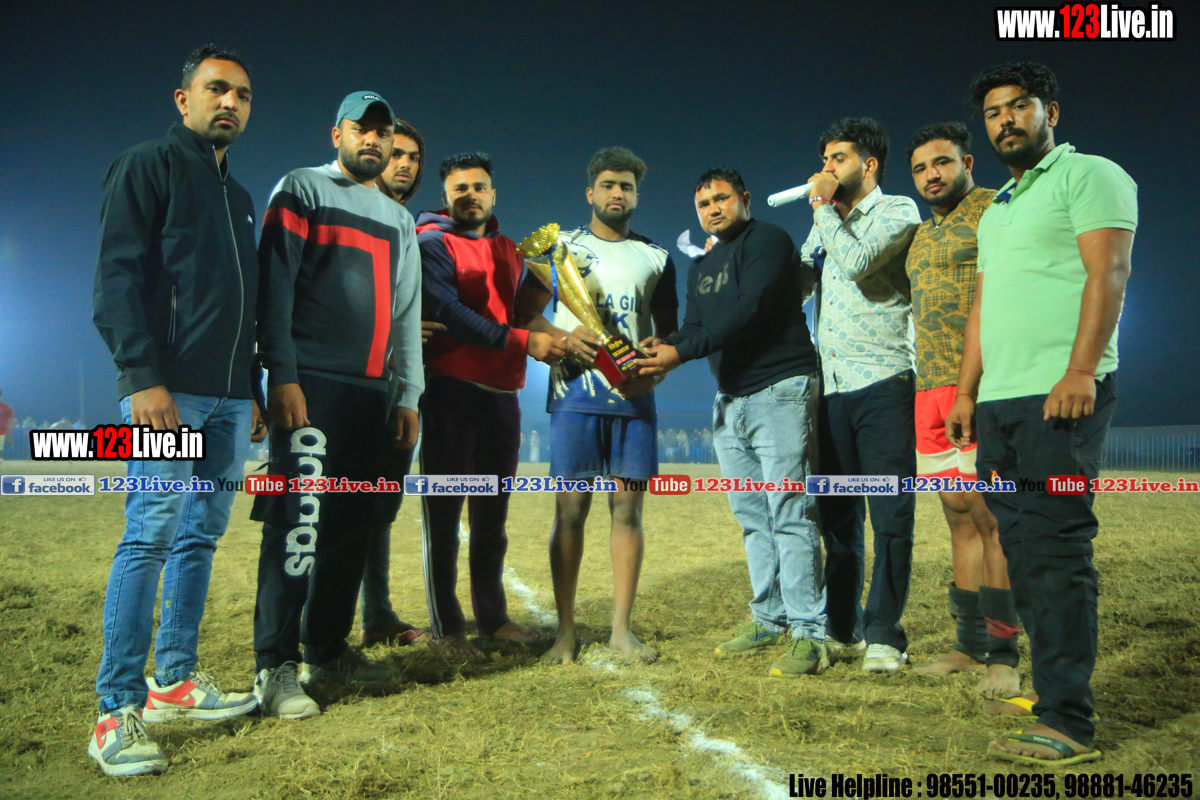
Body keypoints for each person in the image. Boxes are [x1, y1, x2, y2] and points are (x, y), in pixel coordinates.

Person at [948, 61, 1136, 767]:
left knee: (1056, 552)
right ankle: (1053, 693)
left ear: (1049, 111)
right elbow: (983, 306)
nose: (1005, 120)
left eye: (1018, 106)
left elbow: (1108, 271)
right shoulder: (999, 206)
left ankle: (1069, 722)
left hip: (1061, 396)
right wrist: (967, 391)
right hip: (1000, 404)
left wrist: (1081, 369)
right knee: (1021, 551)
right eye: (993, 112)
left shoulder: (1089, 175)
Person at [88, 44, 263, 777]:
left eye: (242, 95)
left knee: (200, 537)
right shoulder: (147, 165)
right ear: (183, 99)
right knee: (150, 536)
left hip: (229, 400)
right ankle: (116, 710)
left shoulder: (240, 196)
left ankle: (176, 680)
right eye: (216, 89)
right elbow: (116, 278)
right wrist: (141, 376)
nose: (230, 102)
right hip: (169, 394)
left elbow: (244, 303)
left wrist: (251, 388)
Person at [253, 91, 423, 716]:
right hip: (311, 386)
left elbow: (406, 315)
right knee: (297, 526)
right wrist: (282, 375)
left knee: (350, 530)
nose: (372, 140)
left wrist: (408, 393)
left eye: (383, 132)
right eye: (361, 129)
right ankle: (274, 666)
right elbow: (274, 288)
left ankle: (326, 650)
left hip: (371, 394)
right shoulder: (301, 188)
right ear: (337, 135)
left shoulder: (398, 219)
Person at [637, 168, 827, 678]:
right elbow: (698, 326)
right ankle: (769, 619)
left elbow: (749, 309)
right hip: (731, 398)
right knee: (752, 516)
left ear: (744, 198)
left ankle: (809, 634)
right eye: (703, 204)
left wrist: (679, 353)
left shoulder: (768, 240)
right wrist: (666, 343)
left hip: (781, 388)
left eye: (722, 199)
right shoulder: (702, 263)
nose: (713, 209)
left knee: (789, 512)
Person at [416, 152, 566, 661]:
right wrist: (522, 341)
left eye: (479, 187)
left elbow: (525, 314)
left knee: (491, 519)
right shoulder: (432, 242)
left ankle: (492, 618)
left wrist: (556, 310)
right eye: (459, 189)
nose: (470, 195)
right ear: (445, 197)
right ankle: (447, 628)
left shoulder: (511, 250)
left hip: (503, 395)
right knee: (444, 517)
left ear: (493, 194)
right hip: (451, 389)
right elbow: (448, 311)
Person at [538, 147, 678, 666]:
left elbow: (669, 333)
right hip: (573, 397)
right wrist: (559, 337)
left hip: (633, 399)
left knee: (628, 510)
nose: (617, 193)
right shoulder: (559, 249)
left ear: (637, 196)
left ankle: (622, 630)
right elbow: (523, 315)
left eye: (627, 187)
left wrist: (660, 364)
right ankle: (565, 633)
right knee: (570, 512)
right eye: (608, 185)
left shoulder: (657, 256)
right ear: (590, 192)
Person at [799, 117, 921, 673]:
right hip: (832, 388)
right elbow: (801, 284)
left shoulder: (897, 211)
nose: (826, 168)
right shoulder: (826, 221)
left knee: (890, 514)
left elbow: (856, 262)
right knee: (838, 518)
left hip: (884, 381)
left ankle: (885, 634)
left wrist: (821, 207)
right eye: (824, 159)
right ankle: (842, 628)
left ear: (869, 165)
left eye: (838, 158)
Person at [903, 122, 1020, 697]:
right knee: (956, 515)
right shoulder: (919, 235)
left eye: (942, 162)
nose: (932, 175)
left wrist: (973, 386)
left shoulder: (994, 209)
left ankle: (1004, 653)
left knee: (989, 516)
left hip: (980, 381)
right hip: (929, 388)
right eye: (921, 168)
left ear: (967, 162)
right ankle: (968, 647)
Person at [358, 117, 441, 649]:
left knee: (381, 507)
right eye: (398, 154)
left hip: (396, 389)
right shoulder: (345, 208)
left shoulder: (406, 223)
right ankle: (309, 632)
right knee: (332, 507)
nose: (405, 164)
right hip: (346, 383)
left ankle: (378, 614)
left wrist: (408, 333)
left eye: (414, 157)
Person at [0, 389, 13, 466]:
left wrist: (9, 436)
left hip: (1, 432)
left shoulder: (6, 407)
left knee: (0, 449)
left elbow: (10, 422)